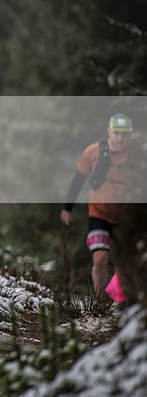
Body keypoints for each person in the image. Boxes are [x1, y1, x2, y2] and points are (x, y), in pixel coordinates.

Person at [60, 113, 134, 295]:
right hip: (99, 212)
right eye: (117, 133)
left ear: (129, 136)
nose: (120, 138)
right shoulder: (93, 152)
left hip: (127, 214)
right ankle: (100, 300)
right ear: (109, 132)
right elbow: (78, 179)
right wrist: (67, 208)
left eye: (124, 134)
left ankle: (122, 299)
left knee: (125, 261)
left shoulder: (136, 155)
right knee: (100, 258)